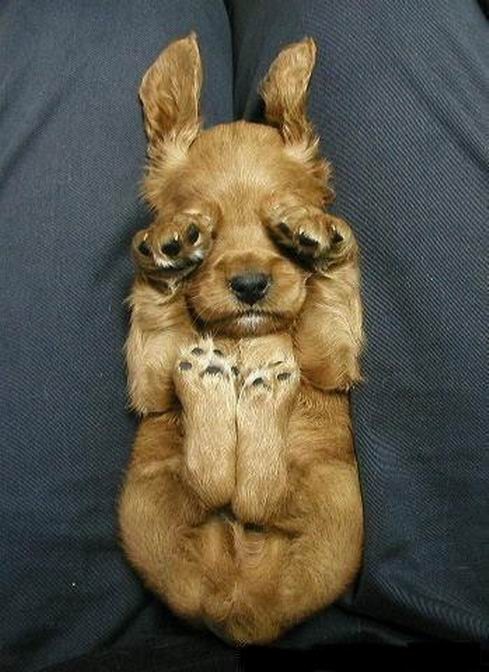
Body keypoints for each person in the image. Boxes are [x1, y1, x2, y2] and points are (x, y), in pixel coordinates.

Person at [1, 2, 487, 670]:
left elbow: (331, 364)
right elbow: (151, 389)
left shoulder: (299, 198)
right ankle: (211, 455)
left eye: (279, 228)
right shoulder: (188, 257)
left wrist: (335, 267)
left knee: (330, 490)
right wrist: (160, 291)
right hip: (181, 553)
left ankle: (242, 455)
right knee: (152, 483)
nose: (251, 273)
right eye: (202, 231)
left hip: (306, 553)